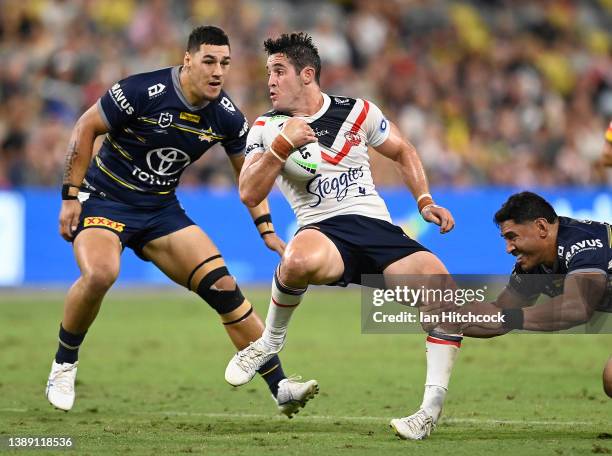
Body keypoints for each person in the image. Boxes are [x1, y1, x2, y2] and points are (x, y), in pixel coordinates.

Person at [46, 26, 318, 417]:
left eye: (225, 63)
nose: (217, 71)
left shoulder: (226, 116)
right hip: (106, 201)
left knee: (224, 287)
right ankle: (63, 364)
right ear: (187, 60)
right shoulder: (141, 91)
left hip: (159, 210)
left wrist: (267, 230)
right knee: (102, 273)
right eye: (209, 61)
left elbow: (250, 180)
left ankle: (281, 388)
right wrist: (70, 196)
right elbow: (85, 128)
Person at [223, 32, 463, 440]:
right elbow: (248, 192)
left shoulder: (359, 112)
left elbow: (403, 151)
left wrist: (424, 201)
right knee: (296, 260)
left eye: (279, 71)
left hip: (375, 227)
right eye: (268, 72)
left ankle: (428, 413)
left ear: (307, 75)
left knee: (444, 294)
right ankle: (269, 342)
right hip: (323, 228)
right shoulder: (266, 128)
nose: (271, 81)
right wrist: (281, 147)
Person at [459, 192, 612, 398]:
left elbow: (577, 308)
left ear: (541, 227)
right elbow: (499, 314)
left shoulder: (583, 242)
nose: (508, 248)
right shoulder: (532, 264)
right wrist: (449, 319)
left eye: (513, 237)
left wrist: (506, 316)